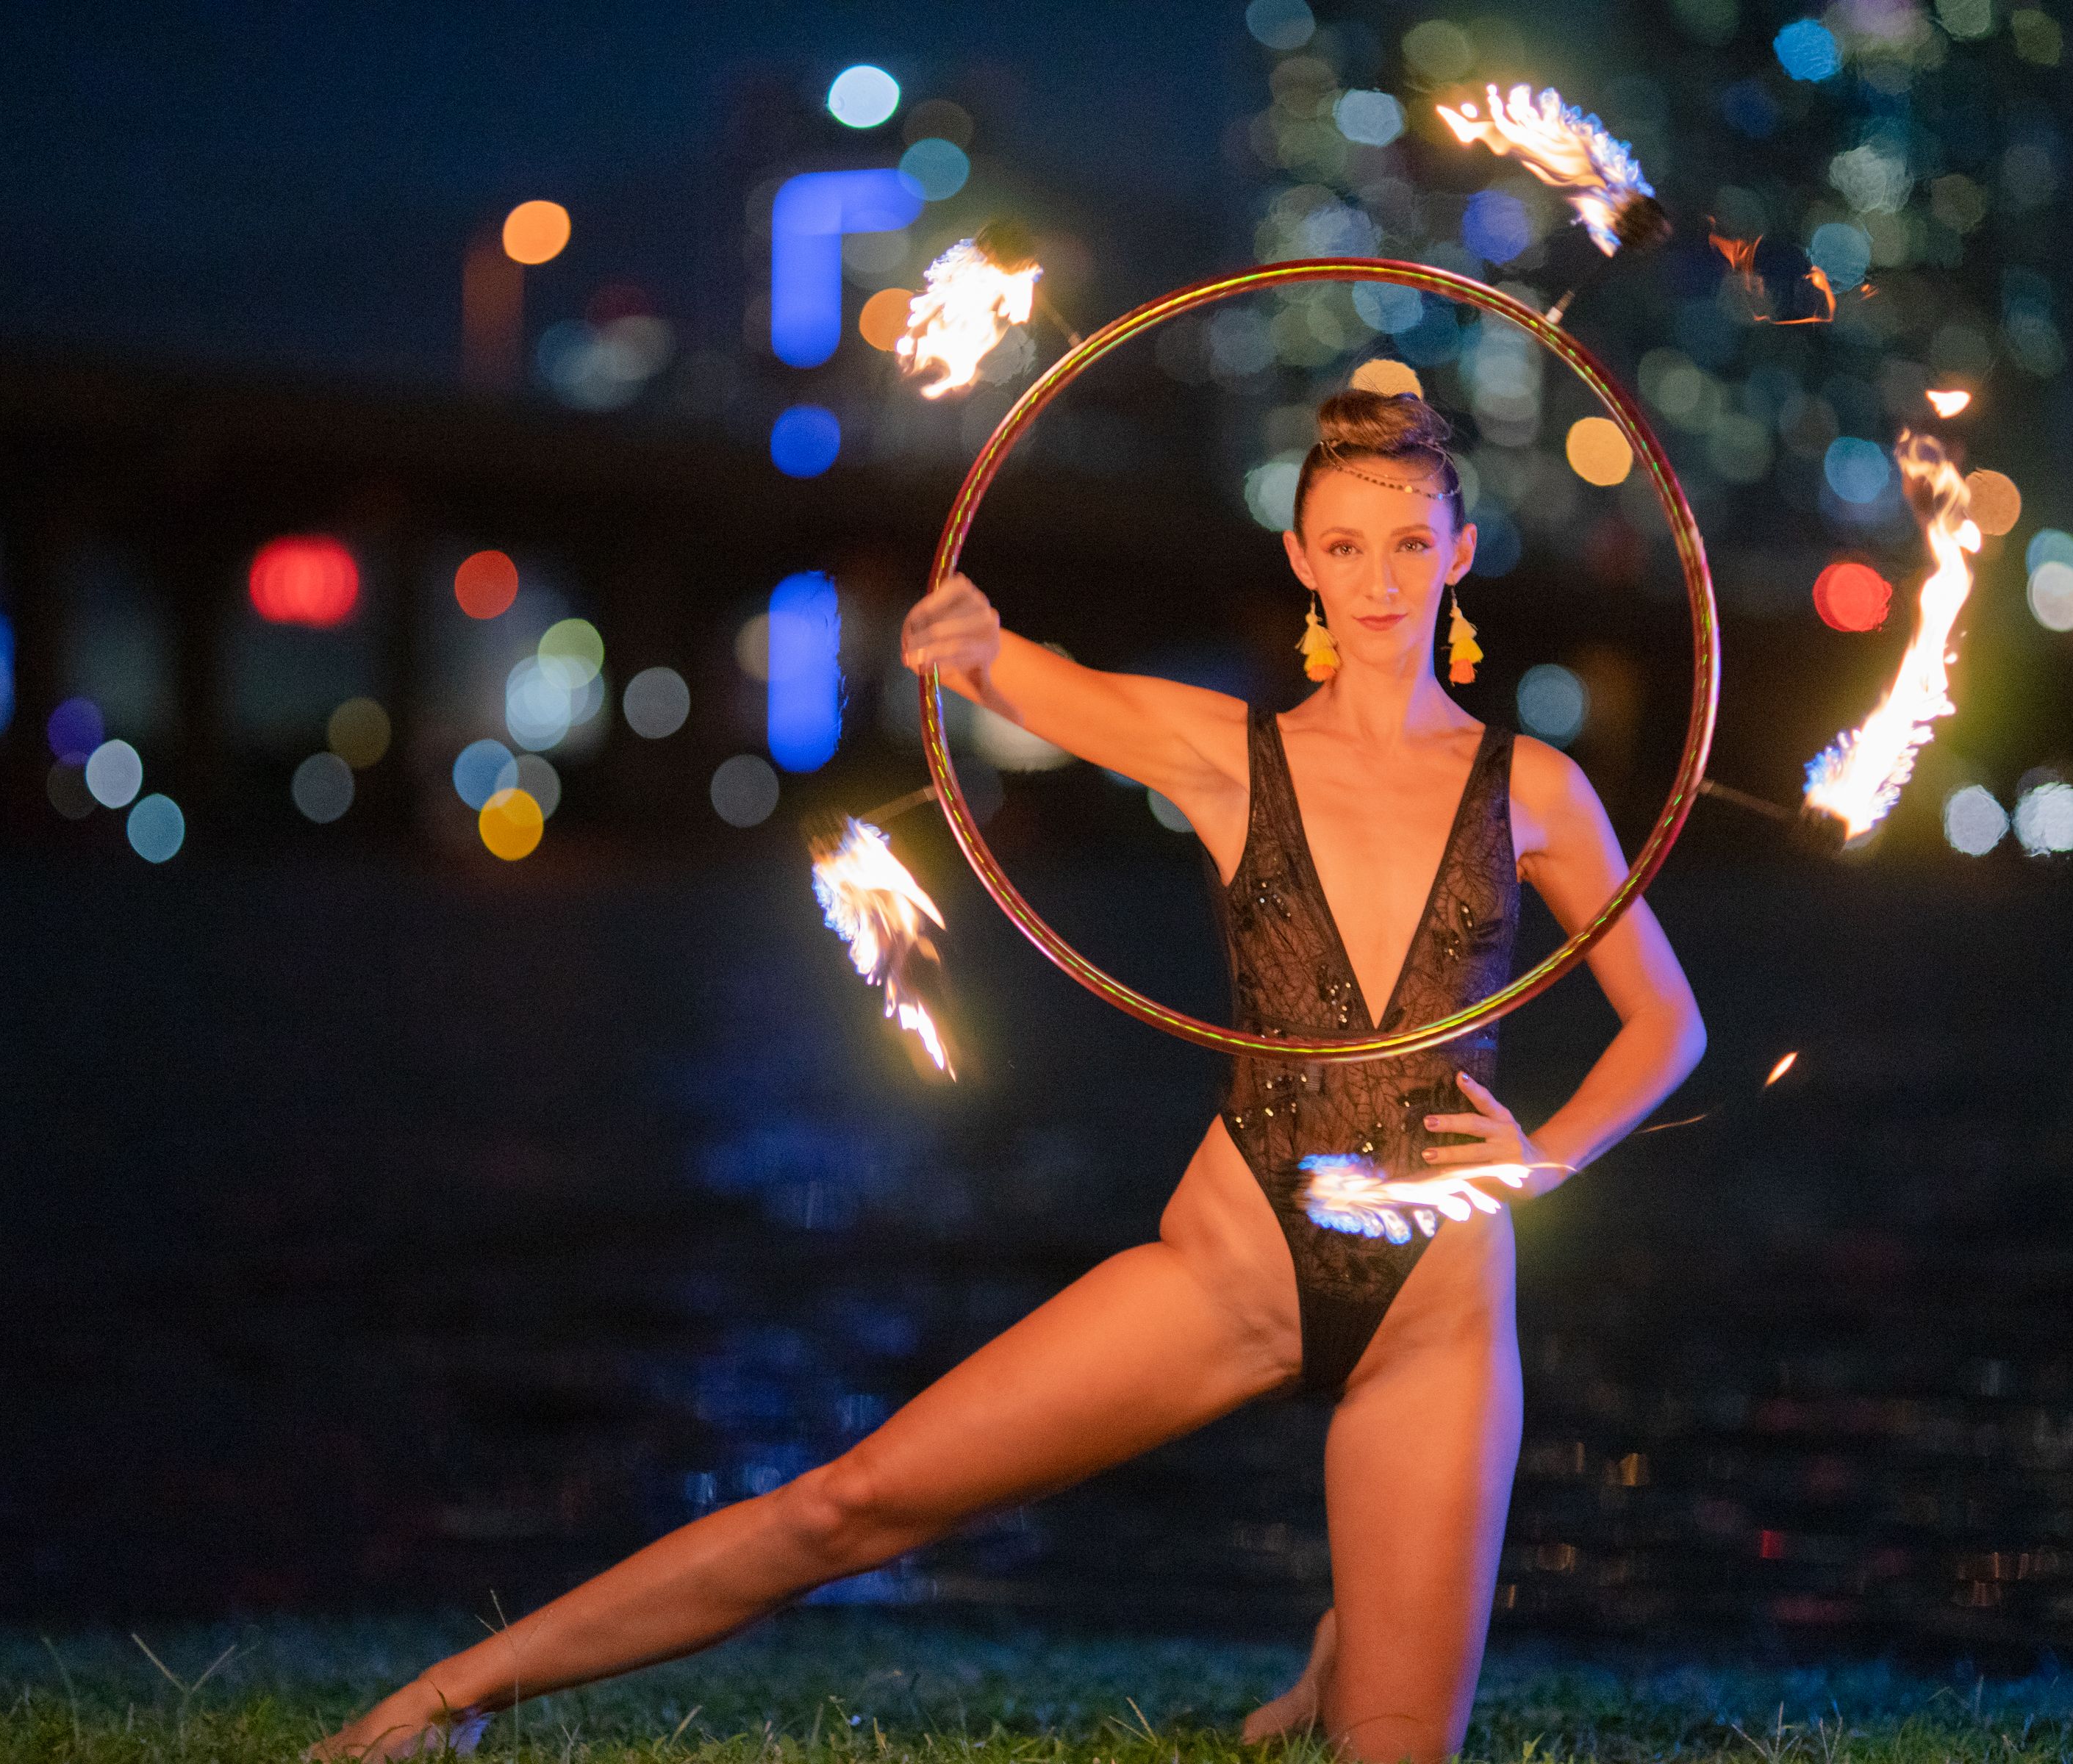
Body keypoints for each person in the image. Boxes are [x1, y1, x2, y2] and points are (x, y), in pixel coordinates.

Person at [315, 372, 1705, 1763]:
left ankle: (1365, 1639)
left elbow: (1666, 1023)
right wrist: (971, 638)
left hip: (1436, 1320)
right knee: (852, 1505)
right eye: (1346, 545)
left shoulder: (1536, 789)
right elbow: (1025, 674)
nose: (1380, 582)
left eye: (1409, 544)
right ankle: (449, 1696)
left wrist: (1546, 1157)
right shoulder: (1227, 755)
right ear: (1300, 561)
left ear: (1461, 553)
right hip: (1240, 1266)